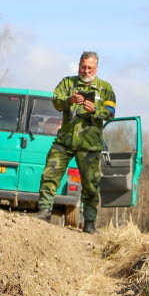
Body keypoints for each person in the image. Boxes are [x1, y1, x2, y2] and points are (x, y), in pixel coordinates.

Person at [34, 51, 116, 234]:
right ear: (79, 65)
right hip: (65, 141)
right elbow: (56, 101)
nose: (86, 71)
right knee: (50, 174)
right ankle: (44, 210)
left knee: (90, 185)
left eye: (90, 68)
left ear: (96, 68)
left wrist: (95, 109)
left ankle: (89, 222)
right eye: (83, 66)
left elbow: (110, 112)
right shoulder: (68, 83)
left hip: (90, 145)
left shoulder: (105, 88)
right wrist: (69, 100)